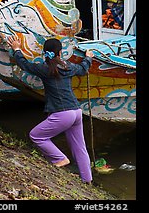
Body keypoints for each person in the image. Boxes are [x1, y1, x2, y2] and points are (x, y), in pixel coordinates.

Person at [6, 35, 94, 184]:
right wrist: (88, 57)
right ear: (59, 53)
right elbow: (83, 69)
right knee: (80, 147)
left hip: (62, 113)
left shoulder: (44, 69)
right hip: (76, 111)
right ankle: (87, 179)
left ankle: (60, 159)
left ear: (45, 53)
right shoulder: (69, 66)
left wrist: (17, 49)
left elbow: (25, 65)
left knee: (36, 136)